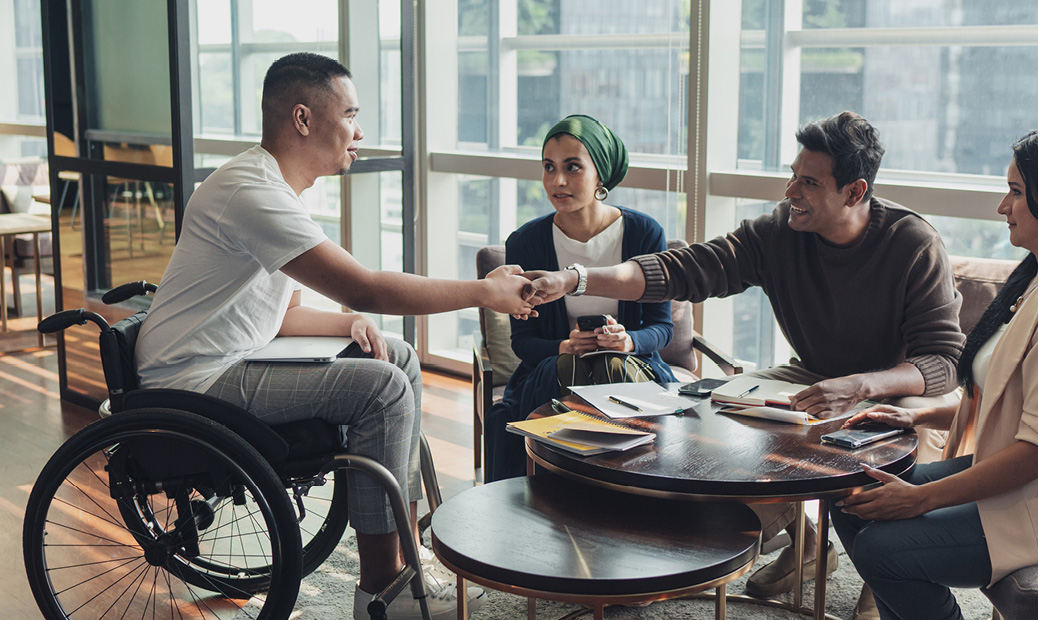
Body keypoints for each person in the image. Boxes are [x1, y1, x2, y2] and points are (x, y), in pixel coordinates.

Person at [135, 53, 534, 620]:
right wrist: (483, 293)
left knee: (395, 355)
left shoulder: (272, 186)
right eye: (350, 113)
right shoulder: (252, 193)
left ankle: (405, 549)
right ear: (303, 119)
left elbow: (279, 315)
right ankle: (382, 589)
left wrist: (346, 324)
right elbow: (368, 288)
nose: (360, 131)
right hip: (192, 381)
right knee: (383, 391)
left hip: (224, 358)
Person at [525, 111, 966, 598]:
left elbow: (943, 363)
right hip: (811, 373)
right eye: (792, 176)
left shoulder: (912, 243)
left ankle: (879, 584)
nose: (790, 192)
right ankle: (780, 541)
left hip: (895, 385)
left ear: (855, 192)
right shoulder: (779, 232)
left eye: (809, 183)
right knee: (715, 408)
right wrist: (577, 278)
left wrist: (862, 386)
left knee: (878, 456)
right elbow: (685, 270)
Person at [830, 125, 1038, 620]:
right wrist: (916, 419)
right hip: (1032, 481)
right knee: (853, 495)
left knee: (883, 550)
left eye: (1016, 192)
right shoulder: (1037, 287)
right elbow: (1003, 397)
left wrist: (921, 500)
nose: (1003, 207)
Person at [484, 114, 676, 482]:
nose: (557, 181)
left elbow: (662, 328)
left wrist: (629, 341)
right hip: (552, 372)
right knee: (573, 370)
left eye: (573, 167)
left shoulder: (644, 233)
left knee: (609, 368)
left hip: (634, 367)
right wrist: (563, 347)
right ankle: (607, 493)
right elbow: (523, 343)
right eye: (549, 167)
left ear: (600, 174)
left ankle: (587, 494)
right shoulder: (525, 242)